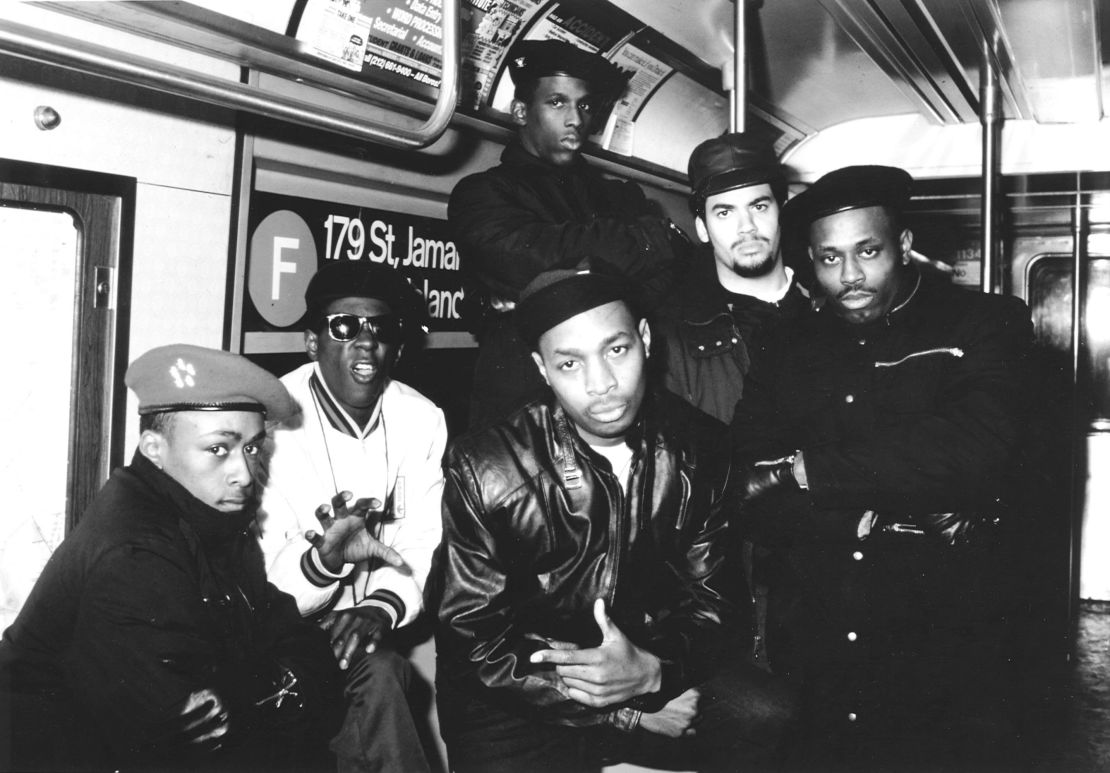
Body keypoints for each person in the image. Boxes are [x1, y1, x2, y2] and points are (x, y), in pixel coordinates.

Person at [432, 262, 795, 773]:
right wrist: (625, 713)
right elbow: (472, 636)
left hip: (648, 661)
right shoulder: (486, 466)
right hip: (523, 695)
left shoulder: (701, 448)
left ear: (645, 339)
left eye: (616, 349)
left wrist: (652, 672)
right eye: (570, 364)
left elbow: (717, 608)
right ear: (541, 369)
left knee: (765, 713)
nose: (601, 384)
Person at [730, 165, 1034, 770]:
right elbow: (745, 482)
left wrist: (804, 469)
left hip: (943, 631)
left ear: (904, 245)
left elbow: (979, 449)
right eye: (828, 259)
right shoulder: (785, 346)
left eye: (867, 252)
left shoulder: (982, 323)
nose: (850, 277)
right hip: (817, 626)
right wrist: (862, 520)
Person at [0, 345, 345, 772]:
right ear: (153, 448)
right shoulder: (136, 553)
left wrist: (264, 688)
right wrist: (281, 687)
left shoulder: (211, 518)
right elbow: (194, 735)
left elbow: (296, 641)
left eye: (253, 449)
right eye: (219, 449)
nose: (243, 473)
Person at [256, 260, 447, 773]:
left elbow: (423, 540)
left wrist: (380, 608)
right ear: (313, 342)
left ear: (398, 348)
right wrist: (323, 561)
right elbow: (268, 583)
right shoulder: (269, 422)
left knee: (383, 674)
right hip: (282, 631)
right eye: (344, 327)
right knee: (379, 680)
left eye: (380, 328)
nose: (365, 342)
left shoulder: (421, 419)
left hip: (376, 627)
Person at [448, 39, 690, 429]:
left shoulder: (620, 195)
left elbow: (673, 267)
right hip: (523, 407)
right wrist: (637, 254)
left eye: (585, 105)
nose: (576, 118)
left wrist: (537, 294)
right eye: (557, 102)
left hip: (616, 400)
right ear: (521, 111)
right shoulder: (483, 193)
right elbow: (523, 257)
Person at [655, 133, 809, 424]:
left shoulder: (833, 307)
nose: (746, 227)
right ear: (702, 229)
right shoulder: (672, 342)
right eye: (725, 212)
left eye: (759, 206)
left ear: (782, 212)